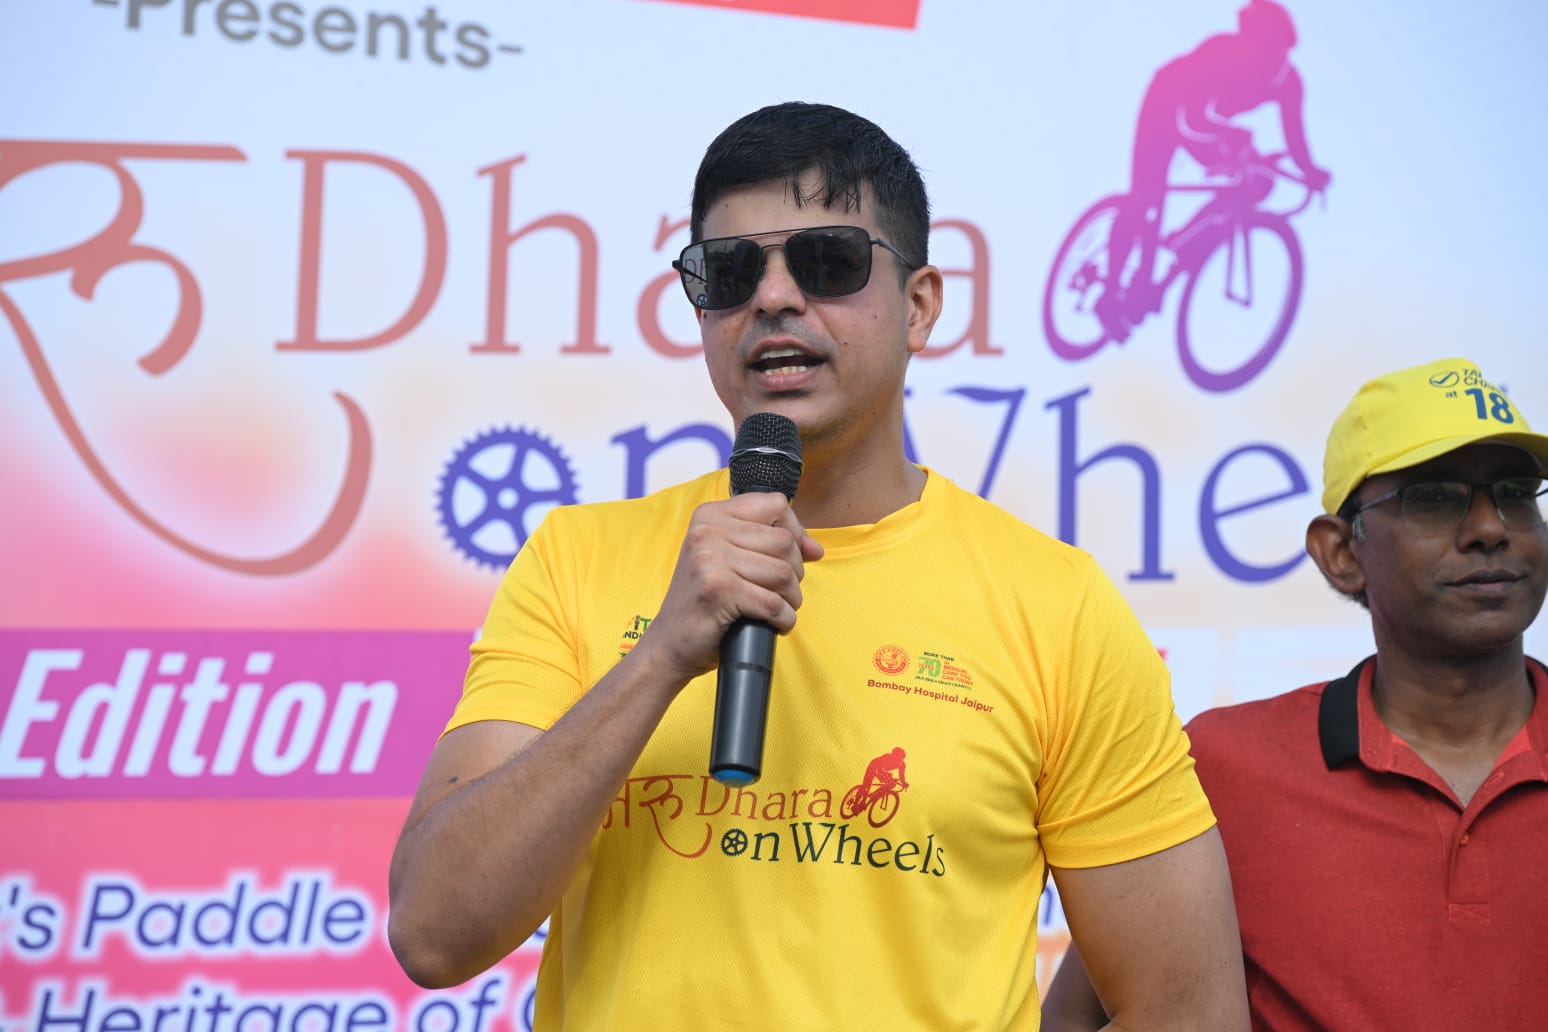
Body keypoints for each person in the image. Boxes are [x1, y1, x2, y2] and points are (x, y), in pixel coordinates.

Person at [388, 100, 1248, 1030]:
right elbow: (435, 934)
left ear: (920, 306)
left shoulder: (1057, 606)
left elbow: (1188, 1011)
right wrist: (660, 657)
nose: (773, 298)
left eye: (827, 261)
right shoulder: (577, 560)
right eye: (729, 271)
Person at [1045, 356, 1548, 1030]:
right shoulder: (1225, 765)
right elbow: (1076, 1018)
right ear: (1340, 552)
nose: (1491, 528)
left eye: (1516, 491)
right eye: (1434, 496)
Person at [1096, 0, 1332, 341]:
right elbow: (1190, 121)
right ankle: (1109, 294)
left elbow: (1294, 135)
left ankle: (1186, 243)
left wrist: (1310, 171)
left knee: (1258, 183)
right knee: (1145, 198)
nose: (1264, 59)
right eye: (1256, 47)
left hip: (1206, 125)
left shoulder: (1288, 82)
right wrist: (1234, 138)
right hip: (1166, 106)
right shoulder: (1221, 51)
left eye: (1272, 51)